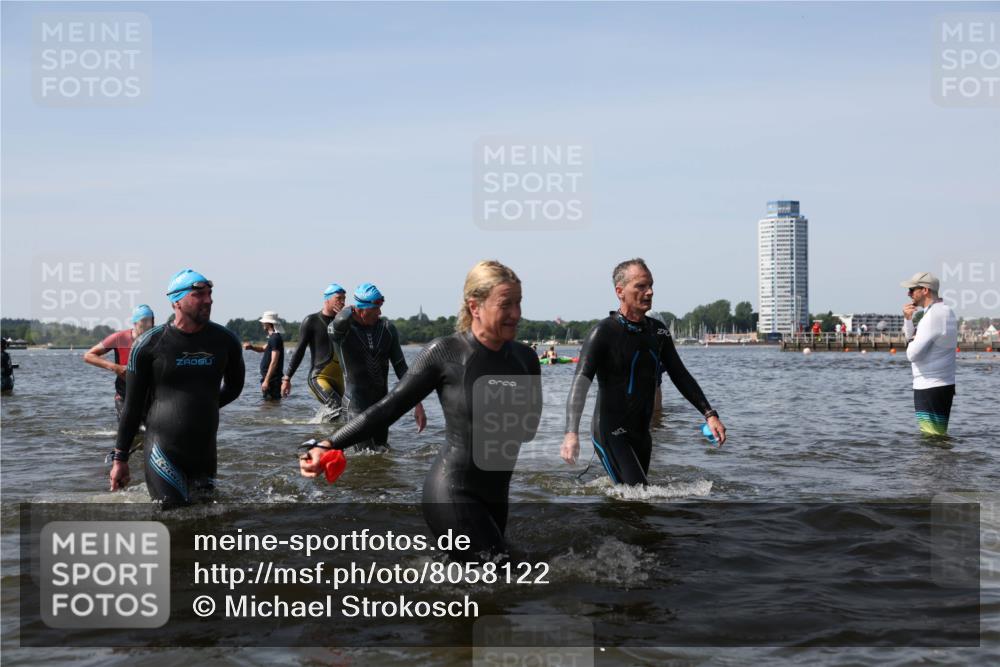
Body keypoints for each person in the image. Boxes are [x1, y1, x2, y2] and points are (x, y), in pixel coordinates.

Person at [299, 261, 541, 559]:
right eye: (505, 304)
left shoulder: (526, 359)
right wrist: (328, 444)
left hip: (497, 494)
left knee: (491, 580)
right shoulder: (446, 353)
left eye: (518, 303)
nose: (516, 313)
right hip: (453, 491)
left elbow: (528, 432)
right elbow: (388, 408)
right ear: (475, 306)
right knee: (504, 572)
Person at [561, 258, 726, 486]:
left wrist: (710, 414)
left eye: (650, 285)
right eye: (641, 286)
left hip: (642, 433)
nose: (649, 292)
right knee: (639, 493)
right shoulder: (603, 332)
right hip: (610, 431)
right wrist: (571, 433)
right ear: (620, 291)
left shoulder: (658, 332)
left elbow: (680, 375)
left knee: (636, 499)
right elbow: (580, 383)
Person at [110, 269, 245, 506]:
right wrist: (120, 459)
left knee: (207, 518)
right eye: (199, 295)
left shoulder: (226, 340)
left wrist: (201, 407)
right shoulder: (148, 344)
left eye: (210, 294)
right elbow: (132, 406)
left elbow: (234, 387)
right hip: (163, 449)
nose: (208, 300)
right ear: (176, 301)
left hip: (204, 452)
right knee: (172, 514)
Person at [327, 282, 426, 449]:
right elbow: (338, 322)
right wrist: (349, 310)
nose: (380, 313)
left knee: (381, 454)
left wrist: (418, 403)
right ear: (361, 309)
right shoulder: (342, 332)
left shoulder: (387, 329)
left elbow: (402, 368)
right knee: (365, 455)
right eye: (375, 308)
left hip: (381, 406)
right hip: (355, 406)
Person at [901, 271, 957, 436]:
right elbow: (914, 341)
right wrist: (908, 320)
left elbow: (912, 355)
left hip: (929, 386)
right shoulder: (946, 311)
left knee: (931, 438)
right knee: (937, 436)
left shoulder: (932, 316)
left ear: (925, 290)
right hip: (943, 384)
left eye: (912, 290)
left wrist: (911, 338)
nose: (909, 294)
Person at [282, 284, 346, 419]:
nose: (342, 302)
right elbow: (299, 351)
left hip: (339, 378)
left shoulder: (343, 322)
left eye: (344, 299)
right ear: (327, 299)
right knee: (336, 406)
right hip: (319, 377)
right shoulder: (311, 321)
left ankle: (320, 428)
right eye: (338, 298)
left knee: (344, 413)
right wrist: (287, 378)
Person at [83, 304, 155, 421]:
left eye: (151, 320)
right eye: (144, 321)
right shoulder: (120, 338)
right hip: (124, 395)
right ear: (135, 323)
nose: (148, 325)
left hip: (151, 396)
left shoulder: (159, 337)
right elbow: (89, 356)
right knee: (129, 429)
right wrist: (116, 367)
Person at [244, 311, 285, 401]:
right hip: (270, 379)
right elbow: (263, 349)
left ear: (268, 323)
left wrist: (266, 381)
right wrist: (251, 347)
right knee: (269, 406)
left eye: (264, 322)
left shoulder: (275, 338)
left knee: (271, 404)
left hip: (272, 380)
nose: (262, 324)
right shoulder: (273, 338)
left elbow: (274, 362)